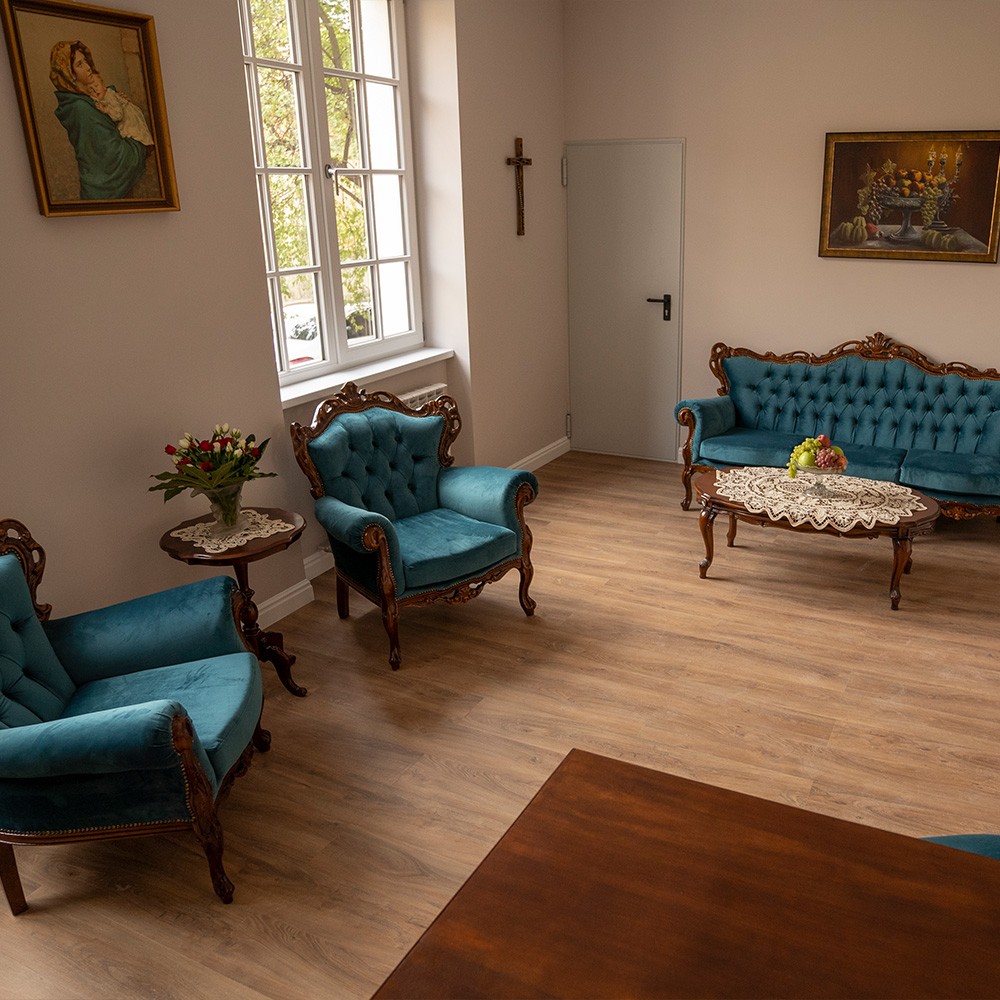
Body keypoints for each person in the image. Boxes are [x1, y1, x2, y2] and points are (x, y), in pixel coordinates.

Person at [48, 40, 148, 200]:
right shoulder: (80, 108)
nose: (88, 67)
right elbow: (112, 156)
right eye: (79, 64)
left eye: (85, 61)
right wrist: (139, 145)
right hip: (103, 190)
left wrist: (115, 101)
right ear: (69, 74)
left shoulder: (90, 98)